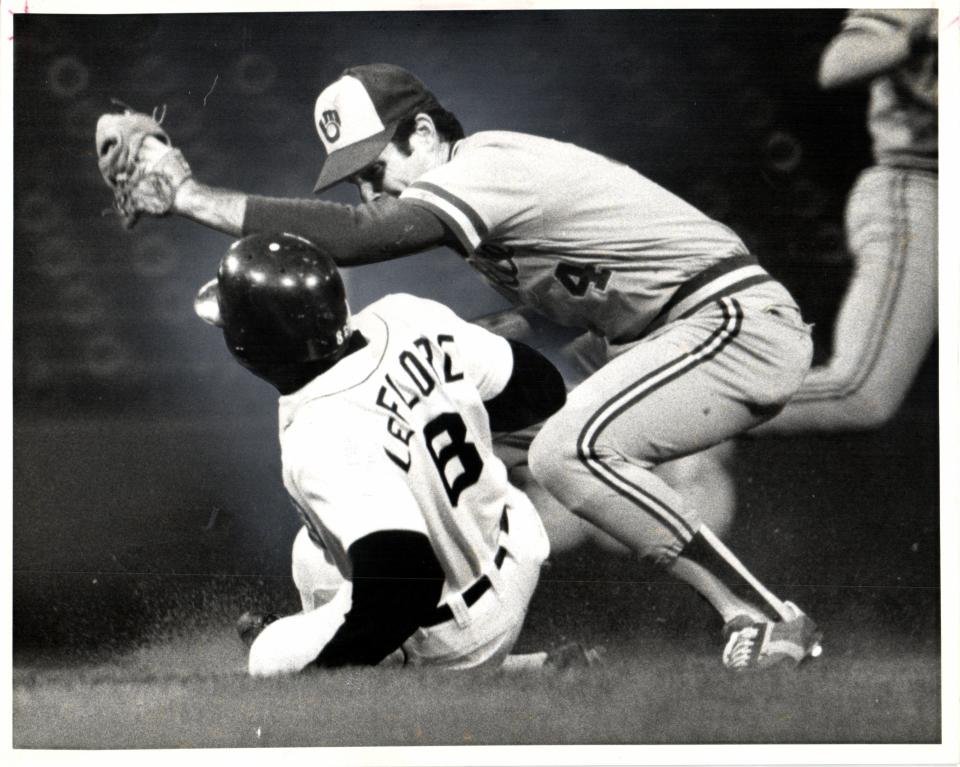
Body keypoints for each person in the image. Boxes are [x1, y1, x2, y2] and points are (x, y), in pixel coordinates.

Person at [103, 63, 822, 669]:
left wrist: (192, 197)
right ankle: (440, 651)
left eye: (374, 168)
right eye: (354, 179)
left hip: (731, 321)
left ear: (423, 133)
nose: (370, 191)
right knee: (423, 437)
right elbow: (546, 318)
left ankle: (763, 615)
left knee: (568, 452)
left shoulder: (487, 167)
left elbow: (359, 236)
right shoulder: (490, 202)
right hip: (671, 330)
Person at [196, 231, 577, 675]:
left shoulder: (319, 431)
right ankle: (532, 666)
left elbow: (409, 588)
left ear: (247, 347)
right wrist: (428, 413)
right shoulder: (403, 314)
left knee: (268, 660)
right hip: (516, 539)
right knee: (313, 551)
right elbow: (541, 389)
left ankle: (421, 667)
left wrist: (326, 674)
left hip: (456, 631)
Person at [754, 8, 938, 434]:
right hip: (923, 185)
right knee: (861, 393)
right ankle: (669, 401)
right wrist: (916, 37)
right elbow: (840, 62)